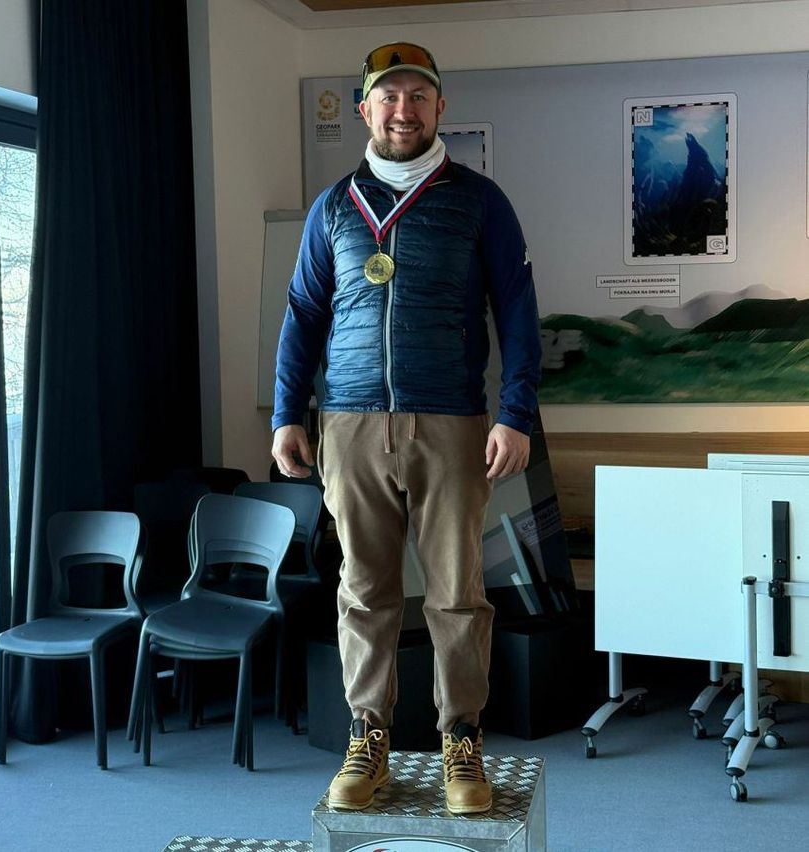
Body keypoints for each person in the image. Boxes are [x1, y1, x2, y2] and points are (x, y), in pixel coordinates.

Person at [271, 42, 541, 815]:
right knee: (363, 592)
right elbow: (303, 314)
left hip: (451, 420)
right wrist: (288, 412)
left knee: (457, 594)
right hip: (350, 423)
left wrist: (515, 413)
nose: (403, 109)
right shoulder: (333, 208)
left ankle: (462, 741)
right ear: (365, 109)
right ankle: (369, 738)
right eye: (388, 96)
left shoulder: (480, 202)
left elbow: (517, 311)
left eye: (418, 95)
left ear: (439, 108)